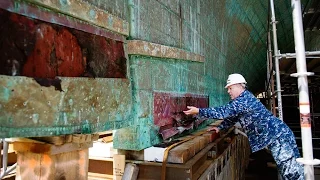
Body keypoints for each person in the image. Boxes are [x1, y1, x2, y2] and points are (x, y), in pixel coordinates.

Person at [183, 73, 304, 180]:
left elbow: (223, 112)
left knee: (292, 174)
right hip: (278, 136)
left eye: (230, 88)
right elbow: (233, 117)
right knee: (289, 171)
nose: (228, 91)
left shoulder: (243, 101)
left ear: (239, 86)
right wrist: (220, 128)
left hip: (279, 138)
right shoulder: (243, 99)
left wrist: (199, 111)